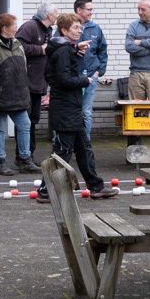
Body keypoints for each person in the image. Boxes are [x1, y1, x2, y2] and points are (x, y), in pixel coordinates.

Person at [47, 12, 118, 198]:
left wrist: (77, 52)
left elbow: (68, 69)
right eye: (75, 28)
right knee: (62, 152)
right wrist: (85, 80)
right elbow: (63, 79)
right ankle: (45, 190)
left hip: (72, 107)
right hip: (65, 108)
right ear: (64, 30)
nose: (80, 31)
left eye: (80, 27)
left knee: (84, 149)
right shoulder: (62, 51)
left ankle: (95, 186)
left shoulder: (65, 48)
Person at [0, 13, 39, 175]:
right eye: (14, 25)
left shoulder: (18, 45)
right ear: (5, 28)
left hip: (18, 96)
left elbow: (23, 70)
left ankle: (25, 160)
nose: (16, 27)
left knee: (25, 125)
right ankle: (1, 163)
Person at [17, 3, 57, 160]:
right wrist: (40, 49)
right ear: (48, 15)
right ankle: (23, 157)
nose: (57, 16)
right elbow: (18, 46)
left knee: (33, 120)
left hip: (39, 83)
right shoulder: (30, 27)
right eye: (55, 13)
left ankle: (29, 155)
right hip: (27, 83)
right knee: (26, 122)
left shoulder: (48, 30)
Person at [72, 0, 110, 144]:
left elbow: (103, 51)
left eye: (91, 9)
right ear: (79, 10)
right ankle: (63, 146)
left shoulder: (96, 29)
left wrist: (98, 73)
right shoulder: (68, 27)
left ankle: (84, 146)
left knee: (86, 113)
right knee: (70, 112)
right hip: (73, 79)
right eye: (89, 9)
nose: (91, 12)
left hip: (90, 77)